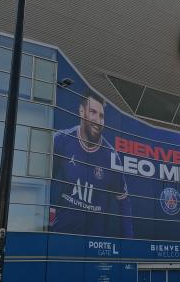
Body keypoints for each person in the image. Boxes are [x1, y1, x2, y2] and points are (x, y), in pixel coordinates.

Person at [50, 90, 133, 237]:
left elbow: (124, 202)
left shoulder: (112, 157)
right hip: (61, 237)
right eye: (93, 112)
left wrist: (128, 243)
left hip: (94, 244)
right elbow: (44, 180)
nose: (98, 120)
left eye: (101, 116)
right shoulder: (61, 140)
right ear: (82, 112)